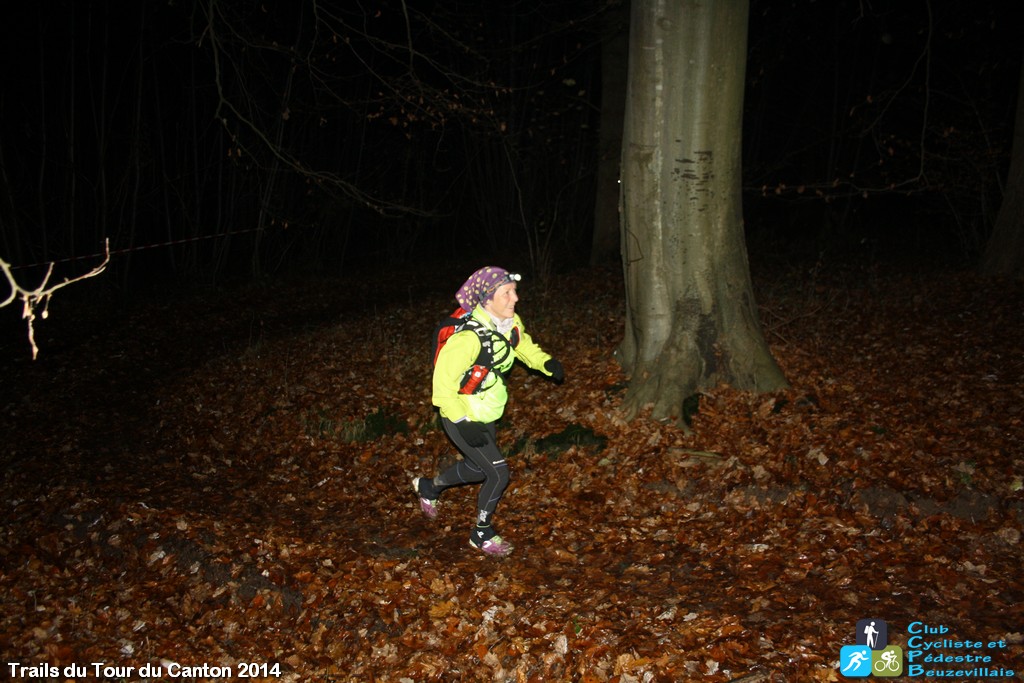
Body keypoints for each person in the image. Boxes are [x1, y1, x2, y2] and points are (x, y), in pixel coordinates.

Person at [413, 266, 564, 556]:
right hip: (459, 414)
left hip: (485, 410)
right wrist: (462, 421)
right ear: (486, 299)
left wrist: (545, 363)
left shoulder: (508, 323)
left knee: (476, 468)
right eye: (506, 293)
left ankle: (429, 487)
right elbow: (442, 388)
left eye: (514, 291)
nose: (515, 298)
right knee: (498, 473)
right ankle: (481, 533)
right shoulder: (466, 339)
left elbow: (523, 346)